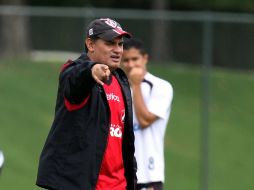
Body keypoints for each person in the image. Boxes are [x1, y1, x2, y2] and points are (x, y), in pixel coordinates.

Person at [36, 18, 137, 190]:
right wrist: (91, 70)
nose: (118, 50)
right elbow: (76, 79)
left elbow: (125, 144)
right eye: (110, 43)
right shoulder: (73, 71)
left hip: (118, 185)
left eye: (120, 44)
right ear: (90, 44)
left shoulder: (120, 81)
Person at [121, 38, 173, 190]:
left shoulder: (161, 87)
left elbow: (145, 120)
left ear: (145, 59)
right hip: (121, 173)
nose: (130, 65)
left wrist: (135, 85)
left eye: (135, 59)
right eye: (126, 60)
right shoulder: (119, 87)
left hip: (148, 173)